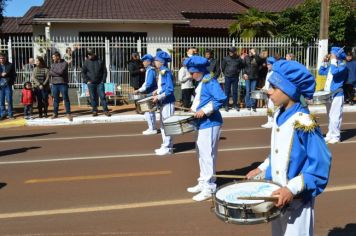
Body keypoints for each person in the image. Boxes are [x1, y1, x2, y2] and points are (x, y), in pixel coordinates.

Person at [247, 60, 332, 236]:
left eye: (274, 86)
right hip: (277, 195)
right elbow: (279, 152)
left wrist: (291, 189)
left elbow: (321, 164)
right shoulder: (279, 113)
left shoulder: (304, 122)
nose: (268, 90)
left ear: (290, 90)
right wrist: (261, 168)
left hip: (298, 201)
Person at [184, 55, 227, 201]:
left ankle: (209, 187)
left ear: (200, 71)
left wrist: (204, 110)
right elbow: (201, 99)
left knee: (208, 155)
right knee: (201, 153)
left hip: (210, 122)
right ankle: (203, 181)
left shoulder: (210, 81)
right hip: (202, 123)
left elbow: (221, 98)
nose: (191, 75)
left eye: (192, 72)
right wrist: (194, 109)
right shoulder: (202, 81)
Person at [318, 47, 348, 144]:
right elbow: (321, 72)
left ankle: (336, 136)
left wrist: (334, 60)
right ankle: (330, 134)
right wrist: (324, 62)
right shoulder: (333, 65)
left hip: (337, 94)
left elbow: (335, 72)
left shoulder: (342, 66)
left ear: (336, 55)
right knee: (330, 116)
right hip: (328, 94)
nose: (330, 55)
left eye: (332, 54)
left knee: (335, 116)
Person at [152, 50, 175, 156]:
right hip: (163, 101)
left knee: (167, 125)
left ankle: (167, 147)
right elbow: (163, 86)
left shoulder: (166, 72)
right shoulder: (162, 71)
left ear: (161, 62)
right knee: (162, 125)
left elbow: (170, 89)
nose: (155, 62)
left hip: (168, 102)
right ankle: (166, 145)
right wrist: (157, 91)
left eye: (156, 60)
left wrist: (159, 96)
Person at [81, 50, 111, 117]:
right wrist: (87, 81)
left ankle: (106, 110)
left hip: (100, 83)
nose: (89, 56)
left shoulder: (100, 61)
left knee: (103, 96)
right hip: (91, 83)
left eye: (90, 54)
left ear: (94, 54)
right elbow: (83, 72)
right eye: (88, 55)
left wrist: (103, 80)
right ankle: (94, 110)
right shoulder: (86, 62)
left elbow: (104, 72)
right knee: (93, 97)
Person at [134, 54, 158, 135]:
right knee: (150, 112)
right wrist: (139, 89)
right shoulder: (149, 70)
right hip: (150, 92)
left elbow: (148, 84)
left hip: (150, 93)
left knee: (148, 112)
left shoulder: (150, 70)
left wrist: (139, 90)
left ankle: (152, 128)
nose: (143, 63)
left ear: (148, 62)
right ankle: (152, 127)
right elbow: (146, 83)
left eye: (144, 61)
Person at [49, 51, 73, 121]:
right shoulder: (53, 64)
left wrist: (53, 72)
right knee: (55, 99)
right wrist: (55, 72)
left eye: (54, 57)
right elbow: (50, 72)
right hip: (55, 84)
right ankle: (55, 113)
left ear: (58, 57)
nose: (53, 58)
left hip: (63, 83)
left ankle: (68, 113)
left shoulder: (64, 63)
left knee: (65, 98)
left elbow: (61, 72)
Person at [221, 47, 244, 111]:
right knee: (227, 91)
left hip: (235, 77)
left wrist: (238, 71)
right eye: (230, 51)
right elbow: (222, 67)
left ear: (234, 52)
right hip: (228, 77)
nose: (230, 53)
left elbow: (242, 66)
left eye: (232, 52)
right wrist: (225, 73)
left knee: (235, 92)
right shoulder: (226, 58)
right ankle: (226, 105)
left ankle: (235, 104)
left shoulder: (238, 59)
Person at [261, 57, 276, 128]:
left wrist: (270, 90)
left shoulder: (274, 73)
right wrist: (264, 87)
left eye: (269, 64)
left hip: (272, 93)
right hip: (268, 92)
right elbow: (267, 82)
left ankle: (272, 122)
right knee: (269, 107)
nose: (267, 66)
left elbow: (274, 84)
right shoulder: (269, 72)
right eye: (267, 64)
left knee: (271, 107)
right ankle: (269, 121)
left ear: (273, 64)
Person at [0, 53, 16, 120]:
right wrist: (1, 74)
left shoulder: (10, 65)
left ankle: (10, 114)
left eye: (3, 58)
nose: (2, 59)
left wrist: (11, 82)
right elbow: (2, 74)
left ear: (5, 58)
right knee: (1, 101)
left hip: (8, 85)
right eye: (0, 58)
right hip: (0, 86)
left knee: (9, 100)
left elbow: (14, 74)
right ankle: (2, 114)